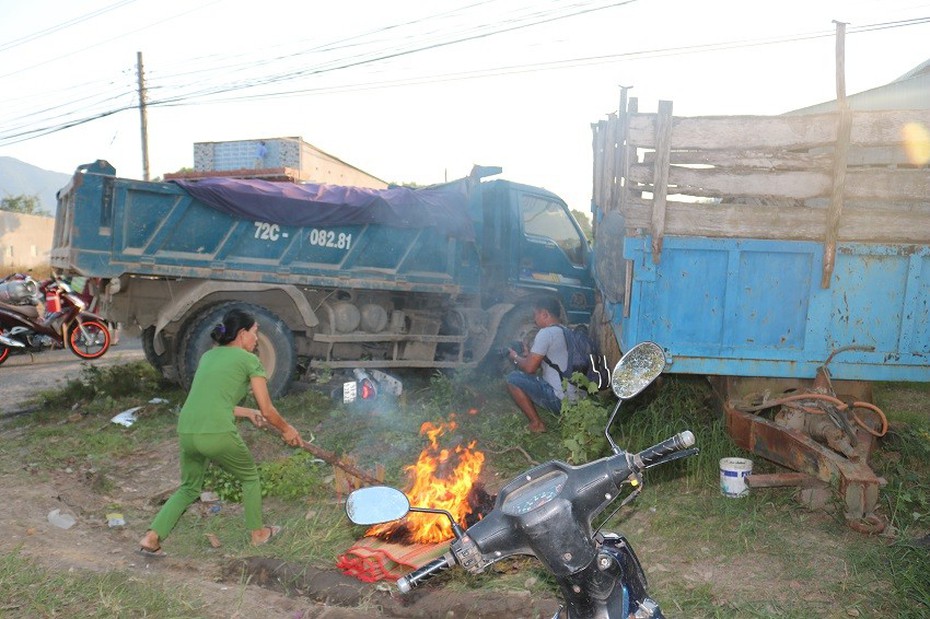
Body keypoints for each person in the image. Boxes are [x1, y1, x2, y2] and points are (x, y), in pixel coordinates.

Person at [138, 308, 302, 556]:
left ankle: (151, 537)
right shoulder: (250, 361)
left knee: (189, 488)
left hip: (188, 430)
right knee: (250, 478)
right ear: (242, 333)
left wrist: (247, 413)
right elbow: (267, 410)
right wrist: (287, 429)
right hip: (216, 432)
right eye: (255, 332)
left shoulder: (209, 357)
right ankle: (258, 534)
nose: (257, 339)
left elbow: (211, 401)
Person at [505, 298, 574, 433]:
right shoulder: (567, 331)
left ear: (544, 314)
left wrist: (515, 358)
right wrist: (528, 354)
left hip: (560, 401)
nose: (535, 320)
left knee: (513, 379)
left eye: (535, 315)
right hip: (578, 400)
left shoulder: (546, 333)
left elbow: (529, 369)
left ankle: (537, 424)